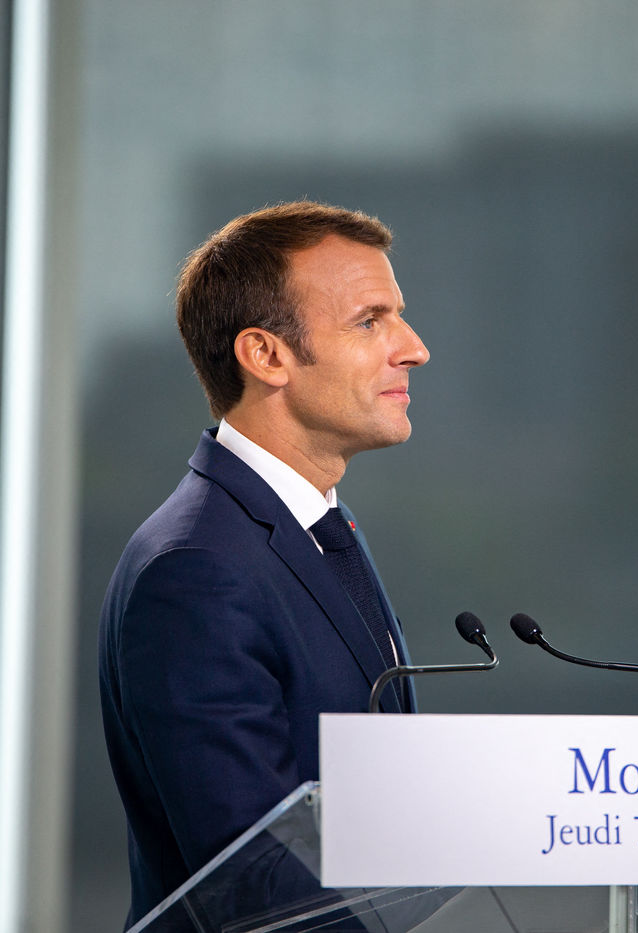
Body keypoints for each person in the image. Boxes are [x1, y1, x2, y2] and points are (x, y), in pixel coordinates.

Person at [98, 201, 430, 928]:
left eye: (399, 317)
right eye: (370, 321)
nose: (413, 348)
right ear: (267, 355)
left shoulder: (319, 529)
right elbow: (258, 881)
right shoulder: (196, 569)